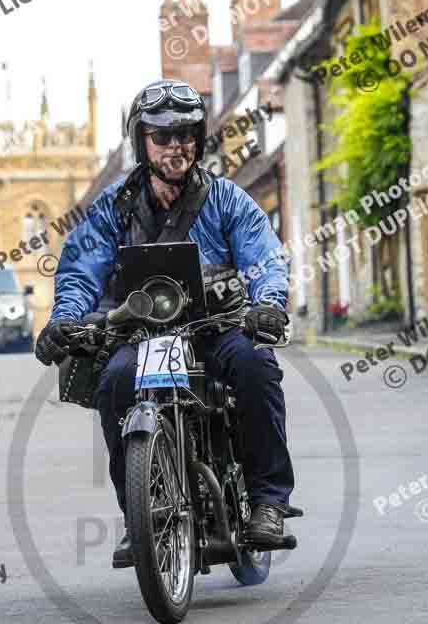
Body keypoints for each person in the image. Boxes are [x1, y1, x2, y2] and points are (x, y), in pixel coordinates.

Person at [35, 79, 296, 568]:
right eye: (162, 136)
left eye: (186, 135)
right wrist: (65, 320)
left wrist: (268, 303)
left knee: (256, 366)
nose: (176, 146)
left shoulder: (227, 201)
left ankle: (268, 501)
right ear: (142, 142)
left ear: (198, 141)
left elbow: (264, 258)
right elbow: (80, 269)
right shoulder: (112, 208)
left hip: (216, 329)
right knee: (113, 382)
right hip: (142, 333)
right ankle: (140, 519)